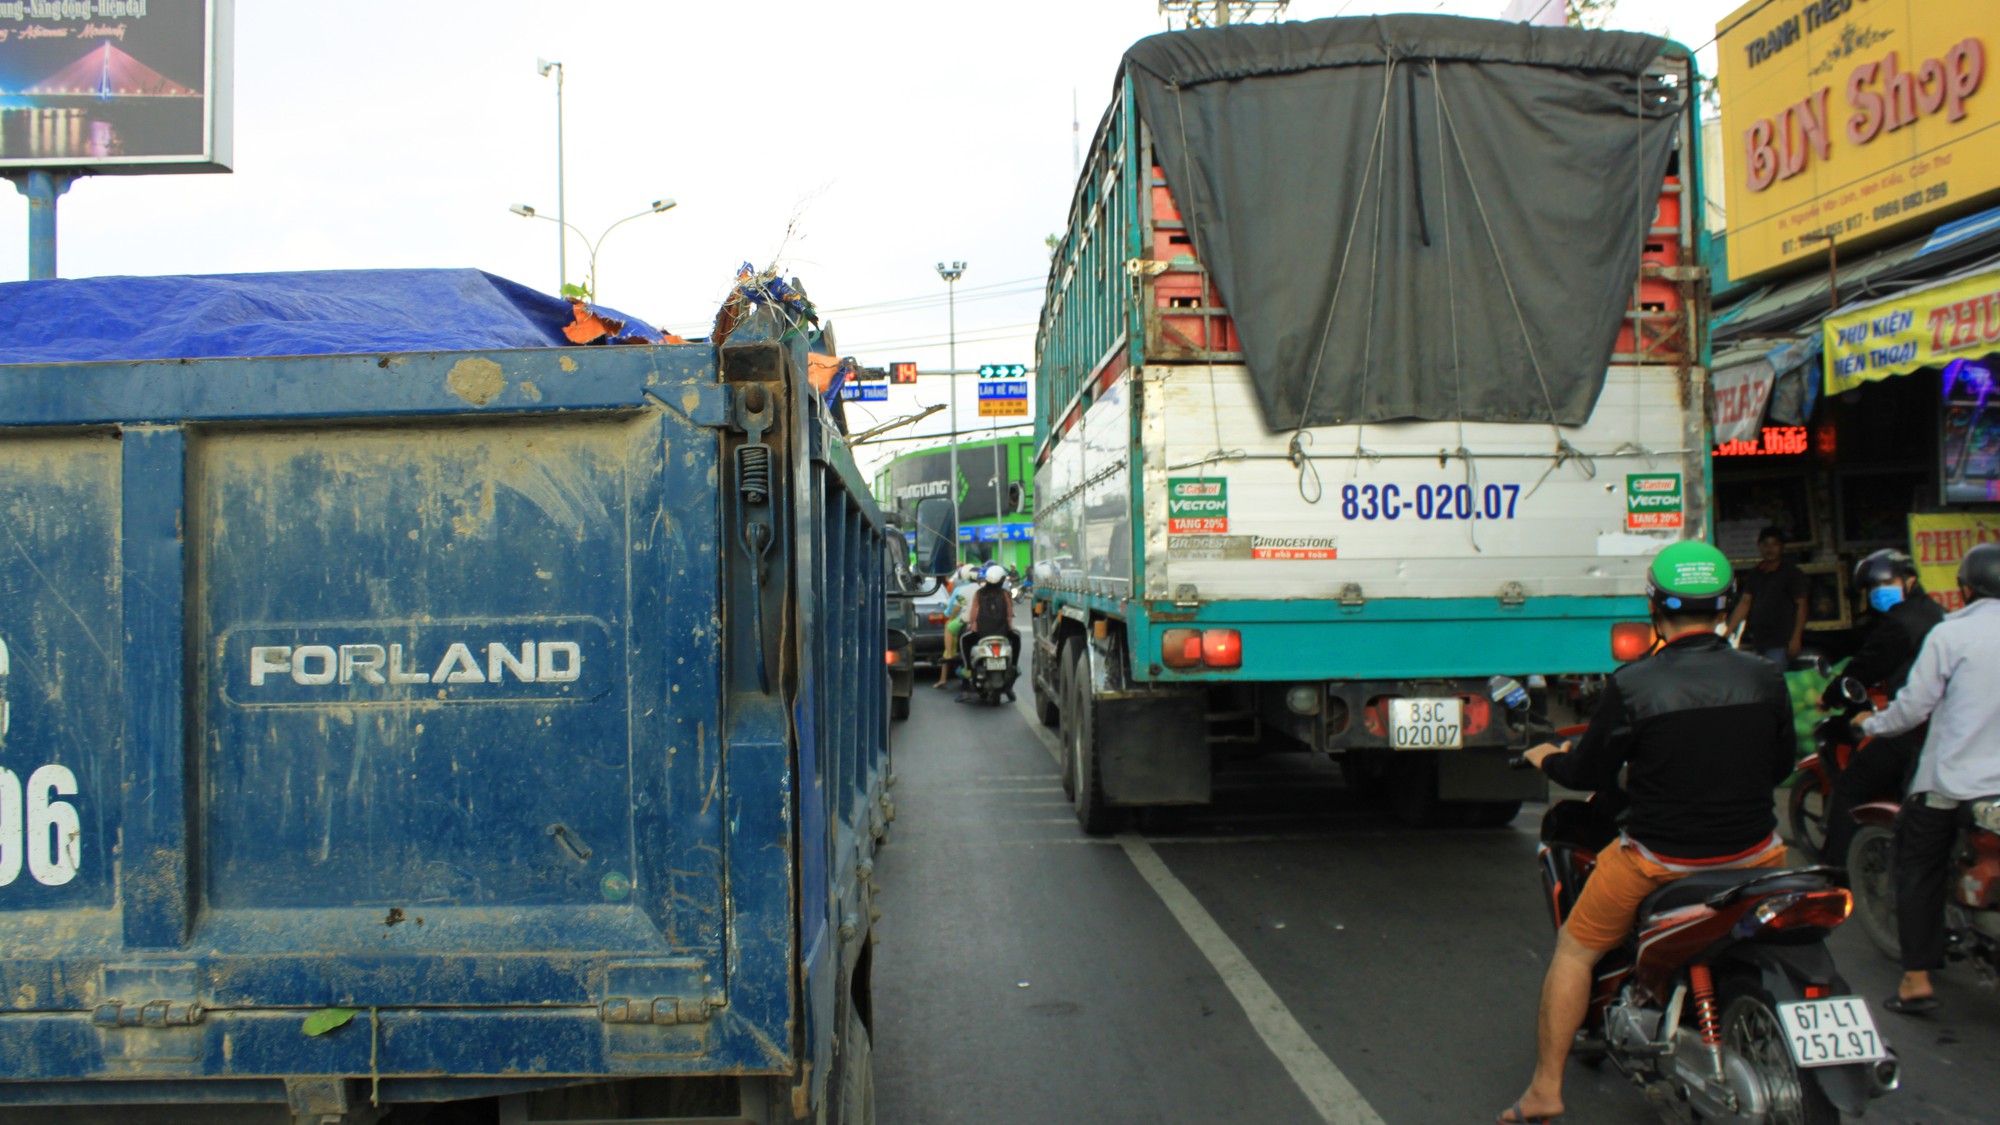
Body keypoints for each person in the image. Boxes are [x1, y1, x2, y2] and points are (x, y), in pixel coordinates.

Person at [1499, 542, 1794, 1125]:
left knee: (1575, 952)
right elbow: (1780, 765)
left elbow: (1587, 773)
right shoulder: (1764, 675)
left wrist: (1545, 759)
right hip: (1759, 855)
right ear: (1726, 605)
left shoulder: (1635, 684)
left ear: (1656, 605)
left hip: (1661, 862)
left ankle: (1544, 1090)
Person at [1852, 541, 2000, 1015]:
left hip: (1954, 783)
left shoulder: (1950, 635)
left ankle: (1917, 980)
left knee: (1917, 868)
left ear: (1964, 588)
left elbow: (1913, 709)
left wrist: (1868, 725)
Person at [1818, 549, 1946, 869]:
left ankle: (1834, 871)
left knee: (1849, 788)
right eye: (1873, 588)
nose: (1878, 592)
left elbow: (1865, 666)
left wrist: (1832, 695)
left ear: (1910, 579)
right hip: (1947, 727)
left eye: (1886, 583)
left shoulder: (1900, 623)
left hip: (1912, 728)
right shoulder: (1938, 614)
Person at [1727, 525, 1808, 667]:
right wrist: (1728, 632)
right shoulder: (1755, 574)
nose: (1769, 549)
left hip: (1781, 642)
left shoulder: (1792, 573)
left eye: (1774, 544)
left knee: (1775, 682)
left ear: (1782, 547)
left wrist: (1796, 638)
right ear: (1759, 546)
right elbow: (1745, 603)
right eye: (1765, 545)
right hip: (1758, 641)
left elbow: (1802, 605)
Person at [956, 563, 1020, 703]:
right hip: (1003, 633)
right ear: (1002, 580)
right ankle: (1014, 665)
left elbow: (974, 614)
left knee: (963, 640)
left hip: (981, 633)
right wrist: (1010, 627)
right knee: (1017, 638)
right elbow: (1009, 613)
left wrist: (972, 625)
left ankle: (967, 668)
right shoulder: (1005, 594)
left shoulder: (979, 593)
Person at [933, 565, 979, 689]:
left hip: (963, 622)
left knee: (949, 628)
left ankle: (948, 656)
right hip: (982, 623)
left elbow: (953, 609)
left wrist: (949, 617)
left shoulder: (960, 590)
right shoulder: (983, 589)